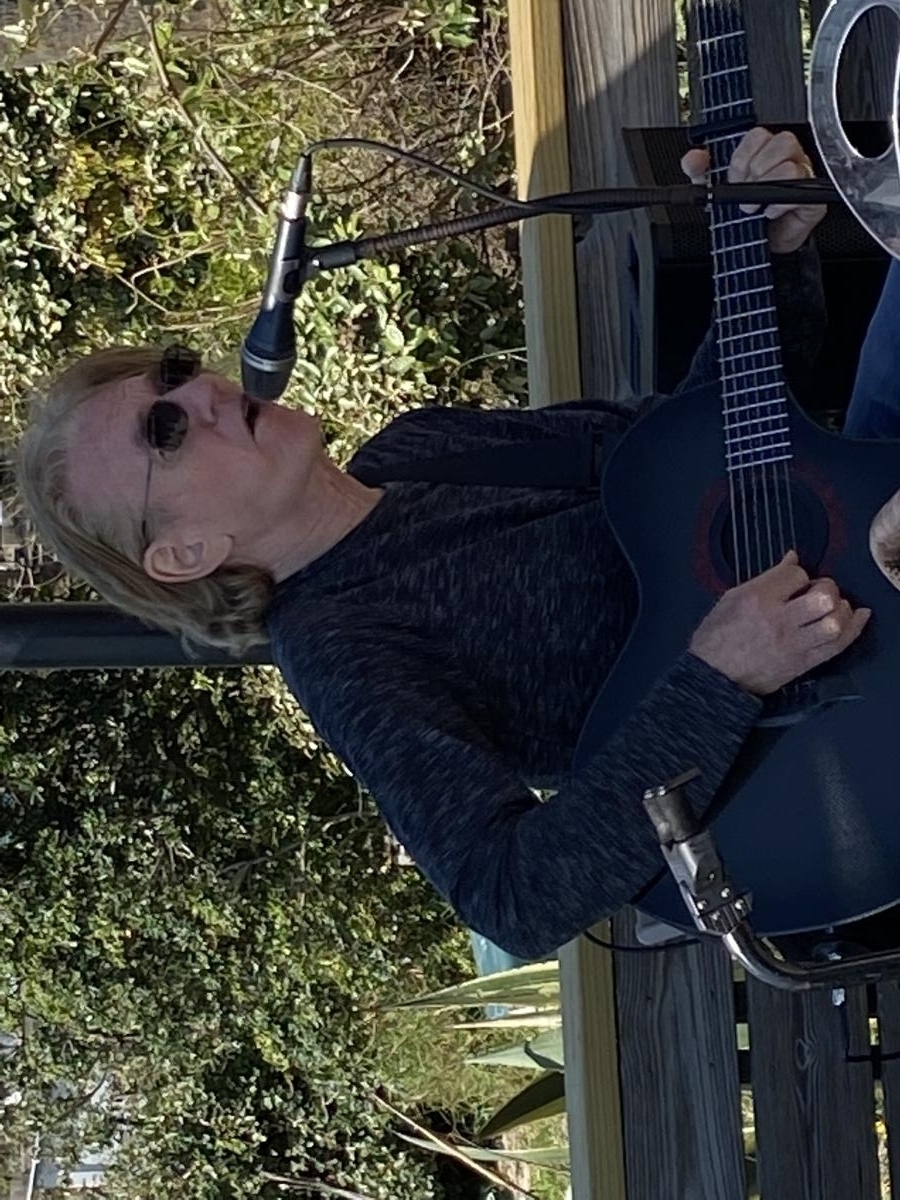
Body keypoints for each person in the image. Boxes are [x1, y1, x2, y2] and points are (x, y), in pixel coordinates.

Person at [16, 129, 874, 961]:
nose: (202, 394)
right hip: (850, 730)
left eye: (175, 372)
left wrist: (772, 255)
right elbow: (515, 899)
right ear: (186, 553)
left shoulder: (416, 447)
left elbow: (708, 441)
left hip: (865, 520)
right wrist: (720, 678)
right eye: (165, 432)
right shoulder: (339, 647)